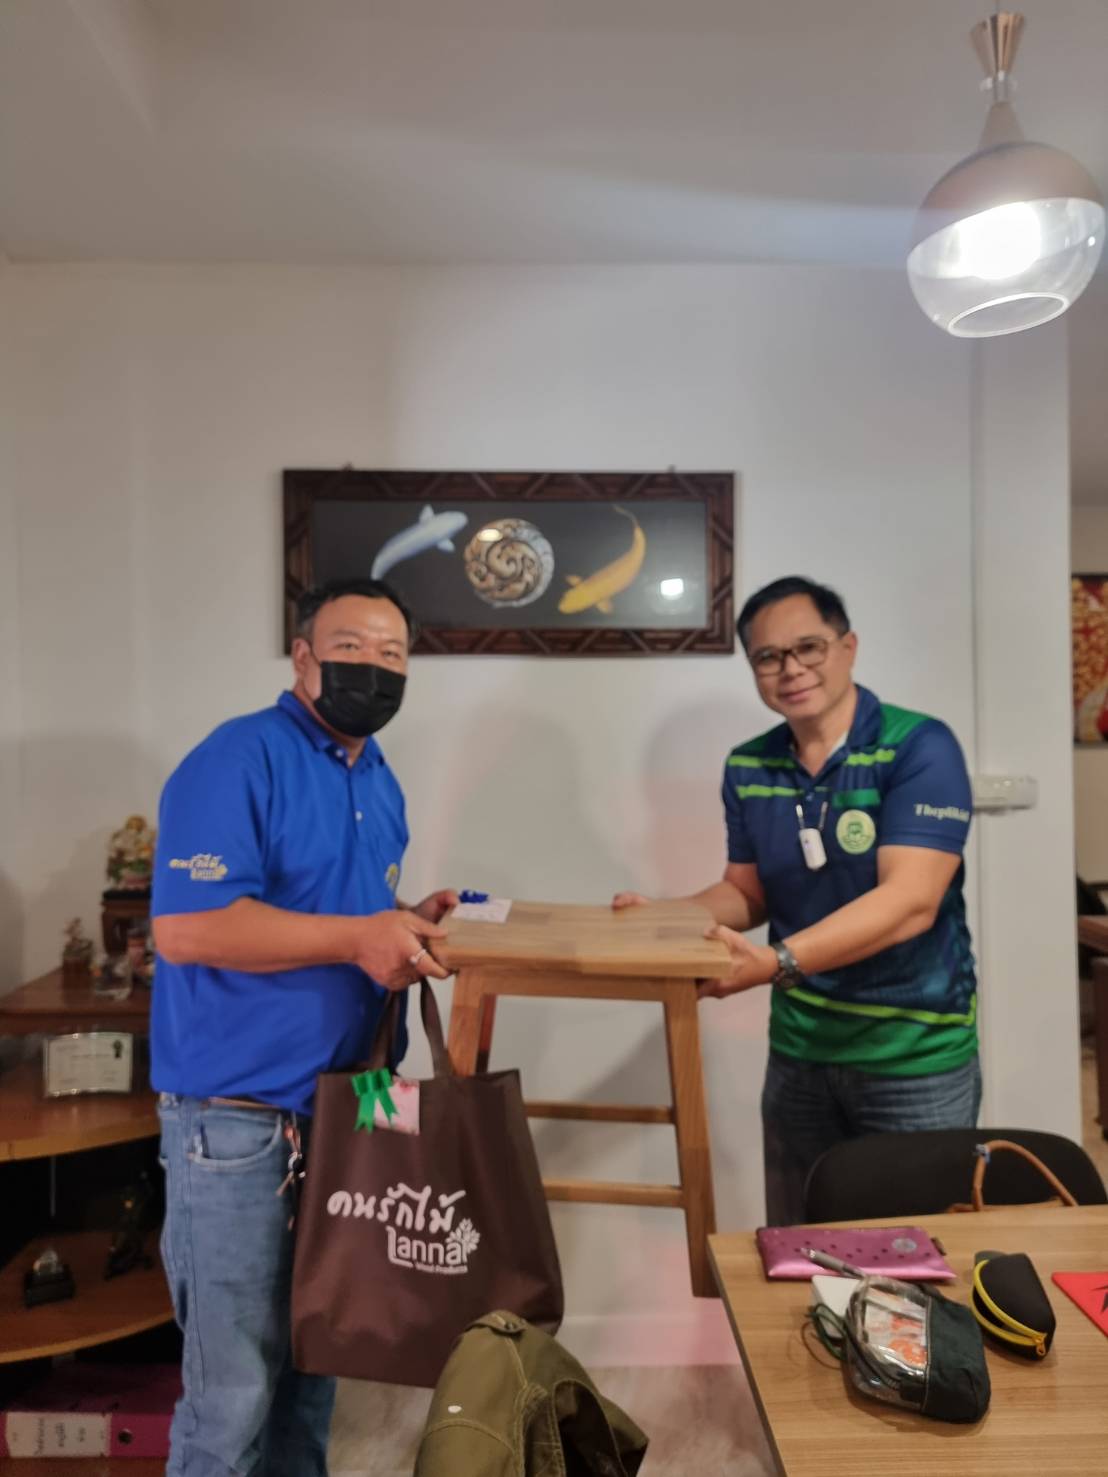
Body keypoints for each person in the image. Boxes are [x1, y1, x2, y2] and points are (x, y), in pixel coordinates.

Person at [151, 576, 456, 1476]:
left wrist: (404, 916)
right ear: (303, 656)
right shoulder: (238, 757)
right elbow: (188, 927)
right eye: (351, 647)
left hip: (351, 1110)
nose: (374, 668)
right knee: (232, 1397)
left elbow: (330, 912)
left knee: (318, 1365)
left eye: (393, 654)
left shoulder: (378, 777)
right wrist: (362, 936)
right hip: (238, 1121)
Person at [614, 576, 979, 1225]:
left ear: (847, 647)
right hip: (799, 1056)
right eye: (768, 656)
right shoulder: (748, 766)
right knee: (797, 1252)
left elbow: (911, 901)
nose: (791, 669)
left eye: (808, 647)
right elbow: (747, 891)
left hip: (913, 1058)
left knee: (913, 1261)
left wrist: (775, 962)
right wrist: (665, 919)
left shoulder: (919, 746)